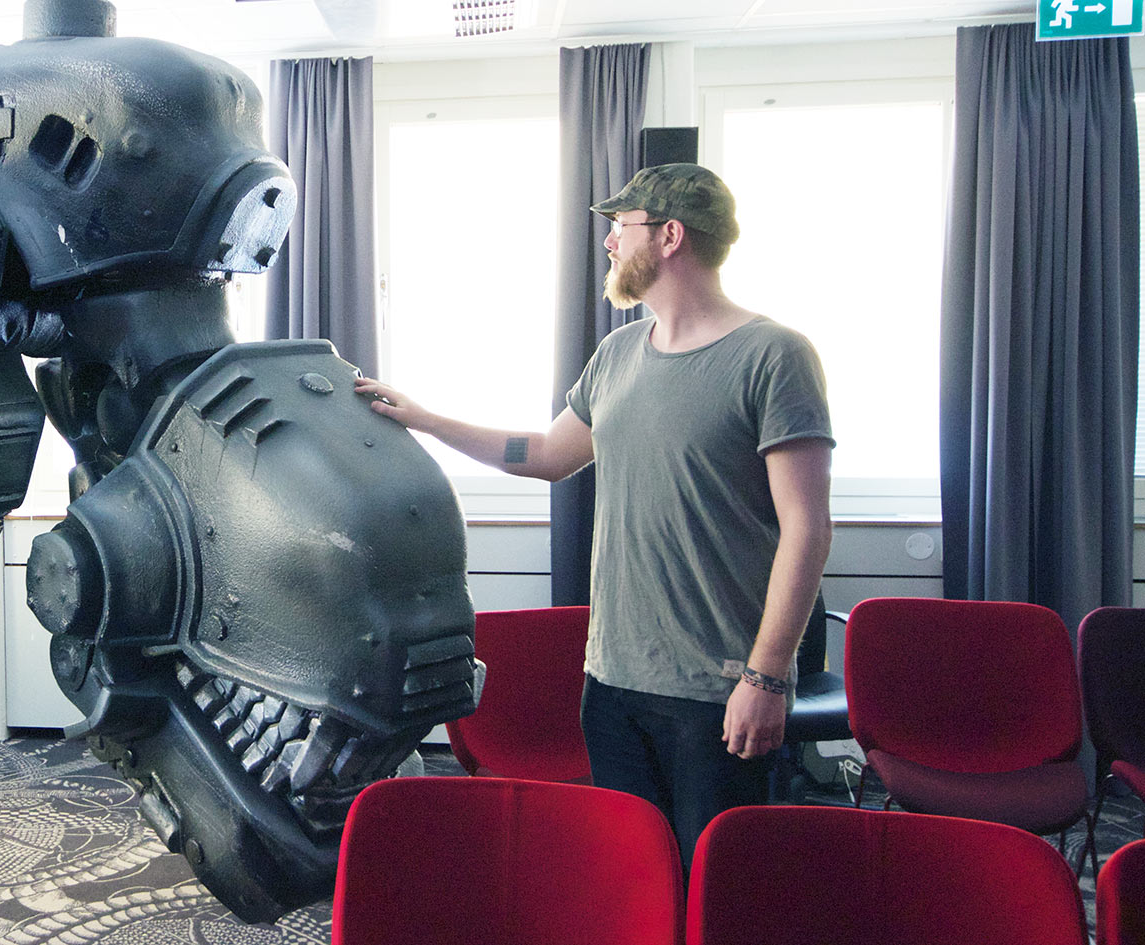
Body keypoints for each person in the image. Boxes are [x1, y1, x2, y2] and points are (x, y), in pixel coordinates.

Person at [354, 162, 833, 869]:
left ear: (670, 236)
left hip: (718, 687)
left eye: (620, 227)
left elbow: (808, 528)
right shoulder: (617, 354)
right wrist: (424, 418)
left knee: (717, 881)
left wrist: (765, 677)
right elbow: (547, 454)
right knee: (632, 871)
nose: (609, 242)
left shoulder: (773, 355)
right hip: (611, 680)